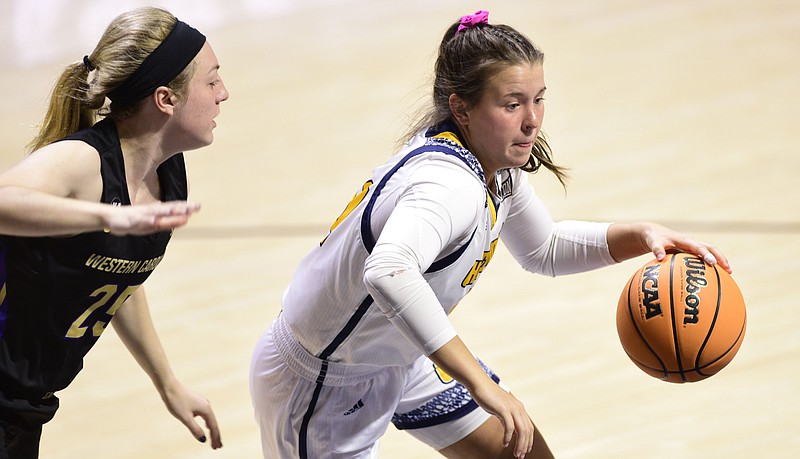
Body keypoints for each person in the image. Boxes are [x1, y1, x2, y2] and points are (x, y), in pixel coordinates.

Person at [249, 10, 729, 459]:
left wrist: (642, 234)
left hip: (400, 351)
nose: (533, 120)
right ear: (461, 108)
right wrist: (482, 383)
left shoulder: (495, 168)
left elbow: (544, 248)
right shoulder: (448, 184)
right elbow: (389, 271)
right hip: (325, 382)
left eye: (539, 99)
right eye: (512, 104)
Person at [0, 6, 229, 458]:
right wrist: (111, 216)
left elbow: (116, 277)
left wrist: (168, 383)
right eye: (212, 80)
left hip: (26, 404)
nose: (224, 93)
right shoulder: (84, 161)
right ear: (166, 99)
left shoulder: (166, 173)